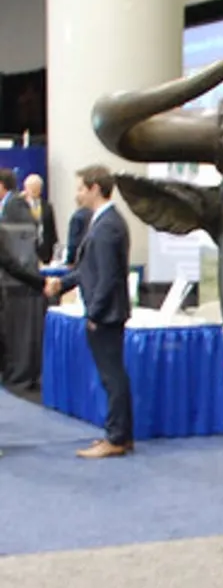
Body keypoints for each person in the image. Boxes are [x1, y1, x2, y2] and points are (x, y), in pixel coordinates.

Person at [44, 165, 134, 458]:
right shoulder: (100, 222)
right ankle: (119, 434)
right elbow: (87, 270)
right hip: (104, 312)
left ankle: (117, 438)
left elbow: (108, 277)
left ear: (95, 188)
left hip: (105, 315)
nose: (77, 194)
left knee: (113, 377)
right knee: (112, 376)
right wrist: (62, 283)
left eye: (81, 187)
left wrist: (94, 314)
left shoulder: (108, 226)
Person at [21, 173, 58, 265]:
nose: (33, 191)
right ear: (25, 189)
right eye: (31, 188)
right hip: (27, 250)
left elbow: (51, 229)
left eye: (36, 188)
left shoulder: (47, 206)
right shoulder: (20, 206)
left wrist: (53, 249)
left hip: (44, 250)